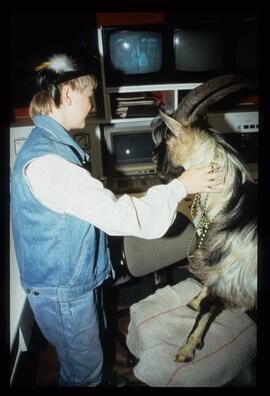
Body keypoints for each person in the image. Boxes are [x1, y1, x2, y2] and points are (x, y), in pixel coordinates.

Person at [10, 53, 224, 387]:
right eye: (89, 95)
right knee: (84, 374)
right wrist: (182, 185)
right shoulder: (51, 164)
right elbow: (123, 217)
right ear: (67, 94)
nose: (92, 105)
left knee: (89, 361)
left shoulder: (47, 144)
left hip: (69, 283)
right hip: (64, 293)